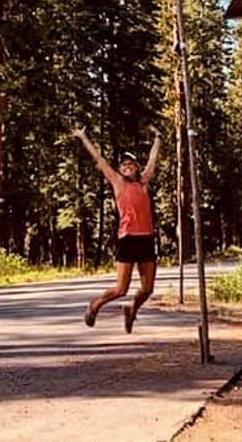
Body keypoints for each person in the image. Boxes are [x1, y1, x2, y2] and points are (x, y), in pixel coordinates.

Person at [72, 123, 161, 333]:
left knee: (147, 289)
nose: (128, 167)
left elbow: (153, 159)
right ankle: (94, 306)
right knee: (121, 288)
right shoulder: (118, 182)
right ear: (120, 170)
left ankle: (132, 309)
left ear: (137, 168)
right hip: (127, 238)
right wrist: (83, 137)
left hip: (146, 238)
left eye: (131, 165)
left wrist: (157, 137)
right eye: (124, 166)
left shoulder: (144, 182)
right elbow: (99, 160)